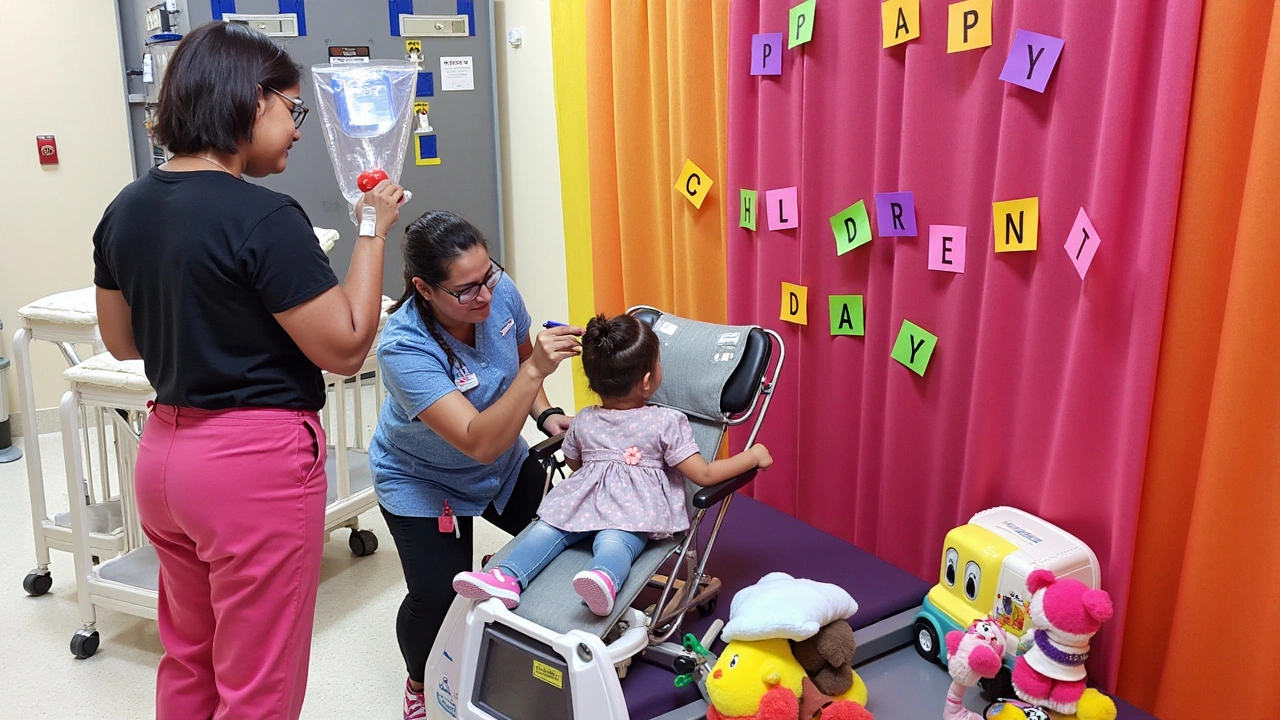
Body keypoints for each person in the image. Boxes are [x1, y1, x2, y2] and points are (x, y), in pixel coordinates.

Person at [92, 22, 403, 720]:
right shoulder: (263, 218)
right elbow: (348, 346)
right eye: (290, 111)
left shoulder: (126, 208)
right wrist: (372, 229)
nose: (295, 131)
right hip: (250, 468)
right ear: (248, 99)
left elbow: (120, 341)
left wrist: (208, 321)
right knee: (258, 684)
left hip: (166, 459)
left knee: (190, 659)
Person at [369, 210, 581, 720]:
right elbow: (475, 442)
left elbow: (520, 353)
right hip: (421, 477)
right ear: (423, 287)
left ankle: (514, 611)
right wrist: (533, 373)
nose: (484, 295)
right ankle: (419, 682)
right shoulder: (403, 347)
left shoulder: (496, 290)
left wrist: (546, 411)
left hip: (500, 461)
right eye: (466, 290)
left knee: (566, 539)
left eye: (488, 276)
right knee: (437, 596)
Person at [452, 313, 773, 616]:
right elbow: (703, 474)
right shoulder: (666, 422)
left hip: (580, 505)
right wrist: (752, 456)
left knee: (546, 531)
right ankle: (604, 578)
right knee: (616, 543)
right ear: (648, 381)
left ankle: (505, 576)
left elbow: (575, 464)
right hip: (634, 512)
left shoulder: (584, 420)